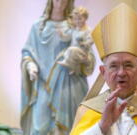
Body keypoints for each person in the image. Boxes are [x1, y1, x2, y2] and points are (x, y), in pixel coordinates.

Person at [70, 3, 137, 135]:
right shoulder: (87, 110)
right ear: (103, 72)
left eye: (128, 65)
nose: (121, 73)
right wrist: (102, 127)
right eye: (114, 66)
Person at [21, 0, 95, 134]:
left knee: (68, 127)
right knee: (40, 127)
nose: (60, 2)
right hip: (44, 85)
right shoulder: (38, 27)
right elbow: (27, 52)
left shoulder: (75, 26)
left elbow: (88, 55)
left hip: (68, 86)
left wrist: (83, 59)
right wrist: (31, 66)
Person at [57, 7, 94, 75]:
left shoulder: (87, 30)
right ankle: (73, 68)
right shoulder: (75, 29)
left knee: (71, 50)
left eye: (80, 19)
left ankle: (69, 64)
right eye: (75, 19)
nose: (78, 21)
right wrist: (61, 35)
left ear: (85, 18)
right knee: (68, 51)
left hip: (83, 52)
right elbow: (67, 37)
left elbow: (91, 40)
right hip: (74, 51)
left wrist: (85, 43)